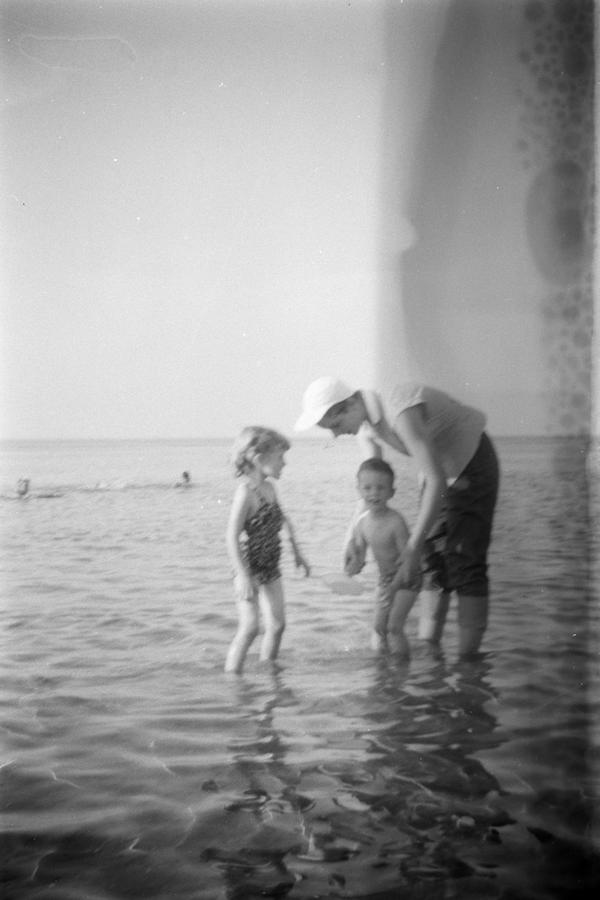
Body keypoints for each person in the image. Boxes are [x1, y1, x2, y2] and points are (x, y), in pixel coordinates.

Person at [295, 377, 500, 658]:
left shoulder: (399, 409)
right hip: (439, 468)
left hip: (471, 460)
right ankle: (431, 649)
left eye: (335, 425)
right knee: (431, 559)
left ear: (351, 403)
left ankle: (468, 663)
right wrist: (352, 539)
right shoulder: (366, 426)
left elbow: (436, 480)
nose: (335, 435)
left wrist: (412, 547)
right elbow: (369, 488)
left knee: (465, 559)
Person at [225, 426, 310, 674]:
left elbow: (283, 519)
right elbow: (231, 536)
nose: (285, 463)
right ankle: (233, 678)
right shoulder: (245, 493)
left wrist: (297, 552)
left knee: (277, 625)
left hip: (271, 563)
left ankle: (268, 670)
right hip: (248, 566)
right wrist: (243, 575)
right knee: (250, 627)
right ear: (259, 458)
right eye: (280, 457)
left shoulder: (270, 489)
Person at [345, 458, 417, 657]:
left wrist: (394, 587)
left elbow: (408, 562)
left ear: (391, 492)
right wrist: (350, 570)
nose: (374, 493)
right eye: (367, 488)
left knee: (394, 627)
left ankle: (402, 667)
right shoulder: (362, 523)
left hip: (407, 579)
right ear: (359, 490)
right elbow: (359, 559)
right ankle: (382, 667)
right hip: (386, 580)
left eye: (380, 488)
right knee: (379, 628)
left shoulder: (396, 522)